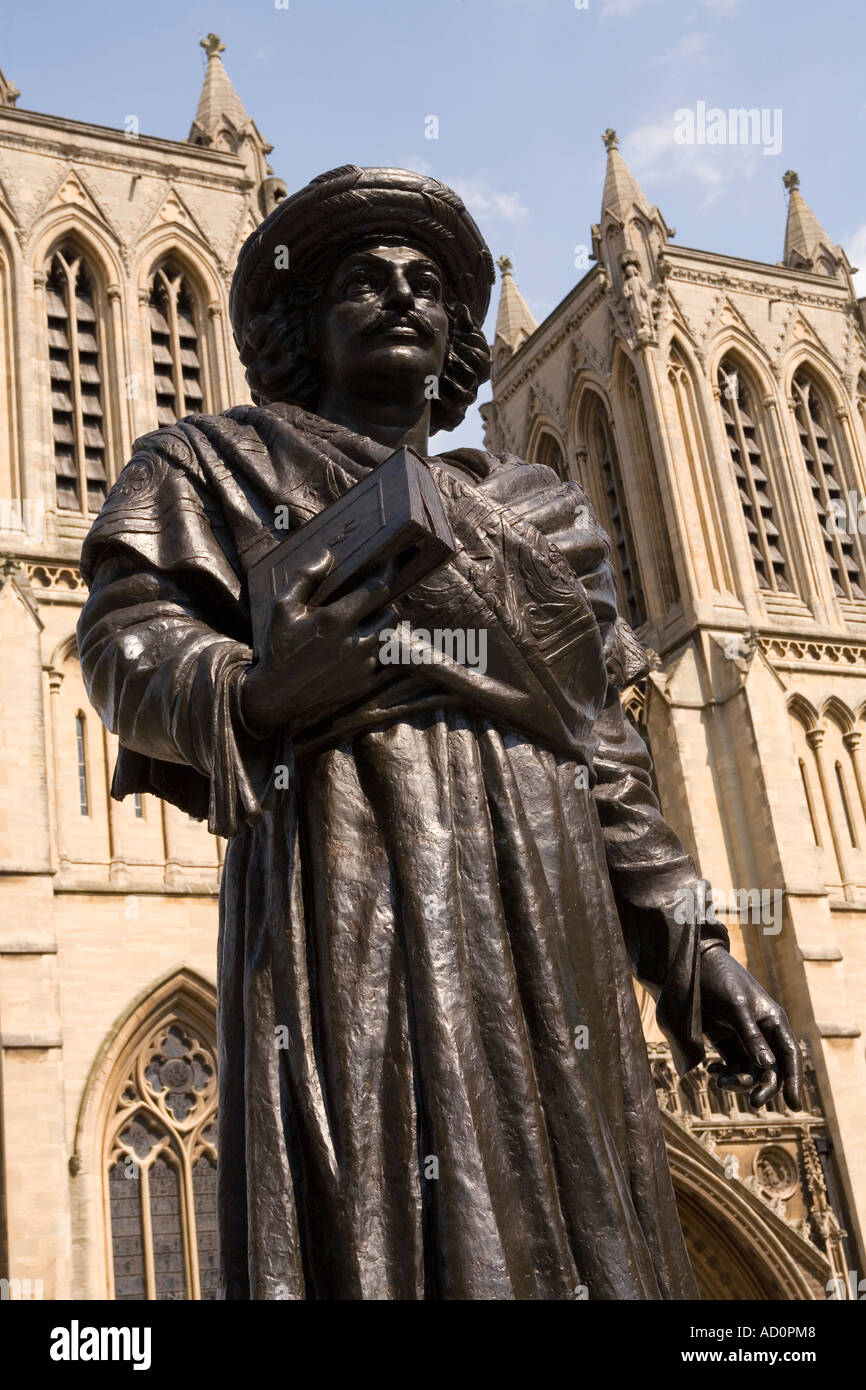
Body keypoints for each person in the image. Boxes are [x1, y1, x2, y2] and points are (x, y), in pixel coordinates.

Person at [77, 166, 801, 1300]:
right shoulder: (211, 466)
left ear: (458, 333)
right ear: (303, 323)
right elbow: (125, 640)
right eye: (362, 281)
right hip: (348, 884)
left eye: (425, 284)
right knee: (378, 1214)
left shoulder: (540, 511)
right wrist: (253, 691)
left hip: (546, 906)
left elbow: (605, 745)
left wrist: (691, 945)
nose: (401, 297)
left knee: (581, 1225)